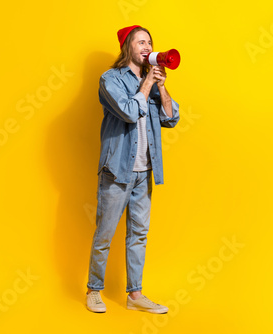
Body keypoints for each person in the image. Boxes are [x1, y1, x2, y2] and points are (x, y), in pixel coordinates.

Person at [86, 25, 180, 314]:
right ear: (127, 46)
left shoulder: (152, 81)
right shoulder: (110, 79)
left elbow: (172, 118)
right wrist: (147, 85)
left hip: (145, 172)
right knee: (105, 233)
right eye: (141, 42)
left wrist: (161, 87)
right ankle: (93, 290)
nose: (147, 46)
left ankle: (135, 295)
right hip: (117, 171)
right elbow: (127, 111)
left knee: (139, 234)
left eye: (150, 42)